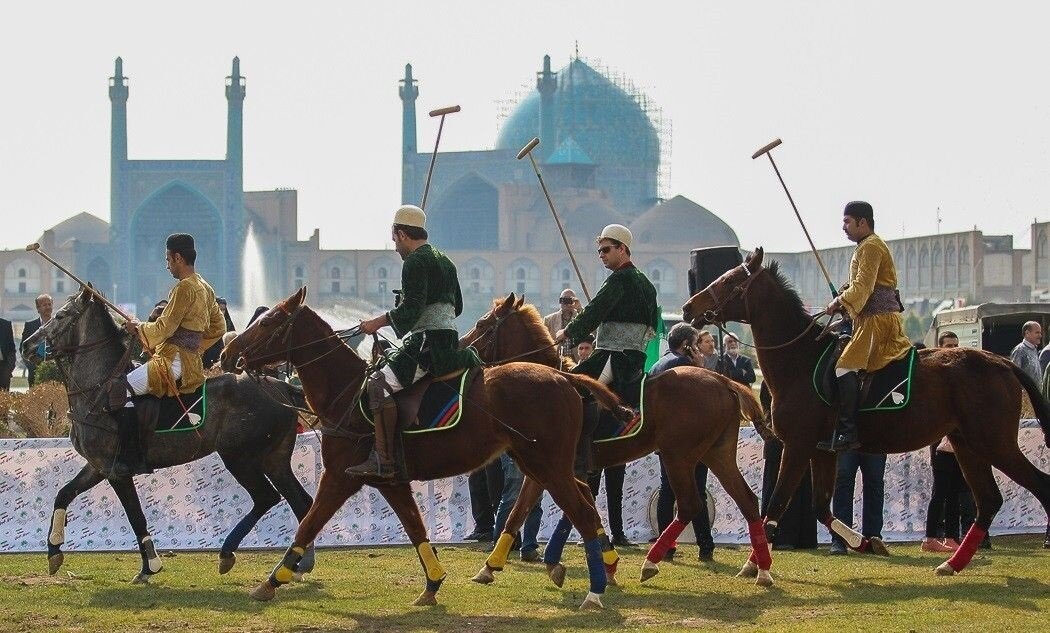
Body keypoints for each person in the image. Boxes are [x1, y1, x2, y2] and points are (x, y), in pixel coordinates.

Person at [347, 205, 481, 479]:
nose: (396, 247)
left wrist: (377, 322)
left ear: (402, 234)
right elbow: (457, 307)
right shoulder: (446, 261)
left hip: (427, 344)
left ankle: (384, 460)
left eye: (395, 240)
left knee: (377, 384)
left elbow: (411, 310)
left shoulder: (415, 262)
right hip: (448, 340)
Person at [115, 233, 227, 476]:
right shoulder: (206, 287)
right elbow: (220, 328)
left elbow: (164, 328)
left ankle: (131, 455)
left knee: (120, 389)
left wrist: (138, 328)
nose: (167, 265)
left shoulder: (184, 288)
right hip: (191, 363)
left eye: (167, 259)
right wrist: (196, 347)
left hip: (172, 362)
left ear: (178, 257)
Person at [820, 201, 911, 452]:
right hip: (867, 319)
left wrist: (839, 301)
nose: (843, 227)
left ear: (862, 222)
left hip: (877, 322)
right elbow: (860, 285)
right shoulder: (865, 246)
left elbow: (863, 287)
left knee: (843, 367)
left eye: (847, 221)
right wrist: (844, 294)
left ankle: (848, 432)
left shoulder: (871, 246)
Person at [649, 322, 716, 561]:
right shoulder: (684, 365)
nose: (699, 349)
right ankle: (705, 545)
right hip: (689, 441)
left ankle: (666, 546)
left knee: (668, 492)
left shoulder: (658, 364)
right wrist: (700, 368)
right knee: (696, 491)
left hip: (664, 440)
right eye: (696, 343)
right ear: (687, 345)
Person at [922, 331, 965, 553]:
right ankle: (930, 537)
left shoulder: (958, 376)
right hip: (940, 446)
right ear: (940, 346)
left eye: (956, 345)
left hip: (957, 445)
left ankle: (951, 537)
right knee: (939, 493)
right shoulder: (935, 375)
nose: (953, 349)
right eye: (949, 345)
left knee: (955, 494)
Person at [21, 294, 54, 386]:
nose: (48, 307)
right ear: (38, 308)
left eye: (49, 304)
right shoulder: (30, 326)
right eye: (44, 305)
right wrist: (32, 366)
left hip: (57, 374)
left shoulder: (60, 325)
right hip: (35, 374)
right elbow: (23, 349)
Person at [543, 289, 582, 361]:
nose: (566, 303)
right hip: (558, 360)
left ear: (574, 301)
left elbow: (593, 331)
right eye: (563, 300)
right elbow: (543, 342)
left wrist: (579, 309)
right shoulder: (549, 320)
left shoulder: (580, 318)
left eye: (569, 300)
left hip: (576, 359)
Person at [1010, 321, 1042, 385]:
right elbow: (1014, 376)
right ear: (1027, 333)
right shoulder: (1019, 350)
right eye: (1037, 332)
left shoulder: (1034, 349)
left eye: (1040, 333)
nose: (1040, 335)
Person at [0, 317, 15, 391]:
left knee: (4, 395)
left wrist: (10, 366)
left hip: (3, 367)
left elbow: (12, 348)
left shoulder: (6, 324)